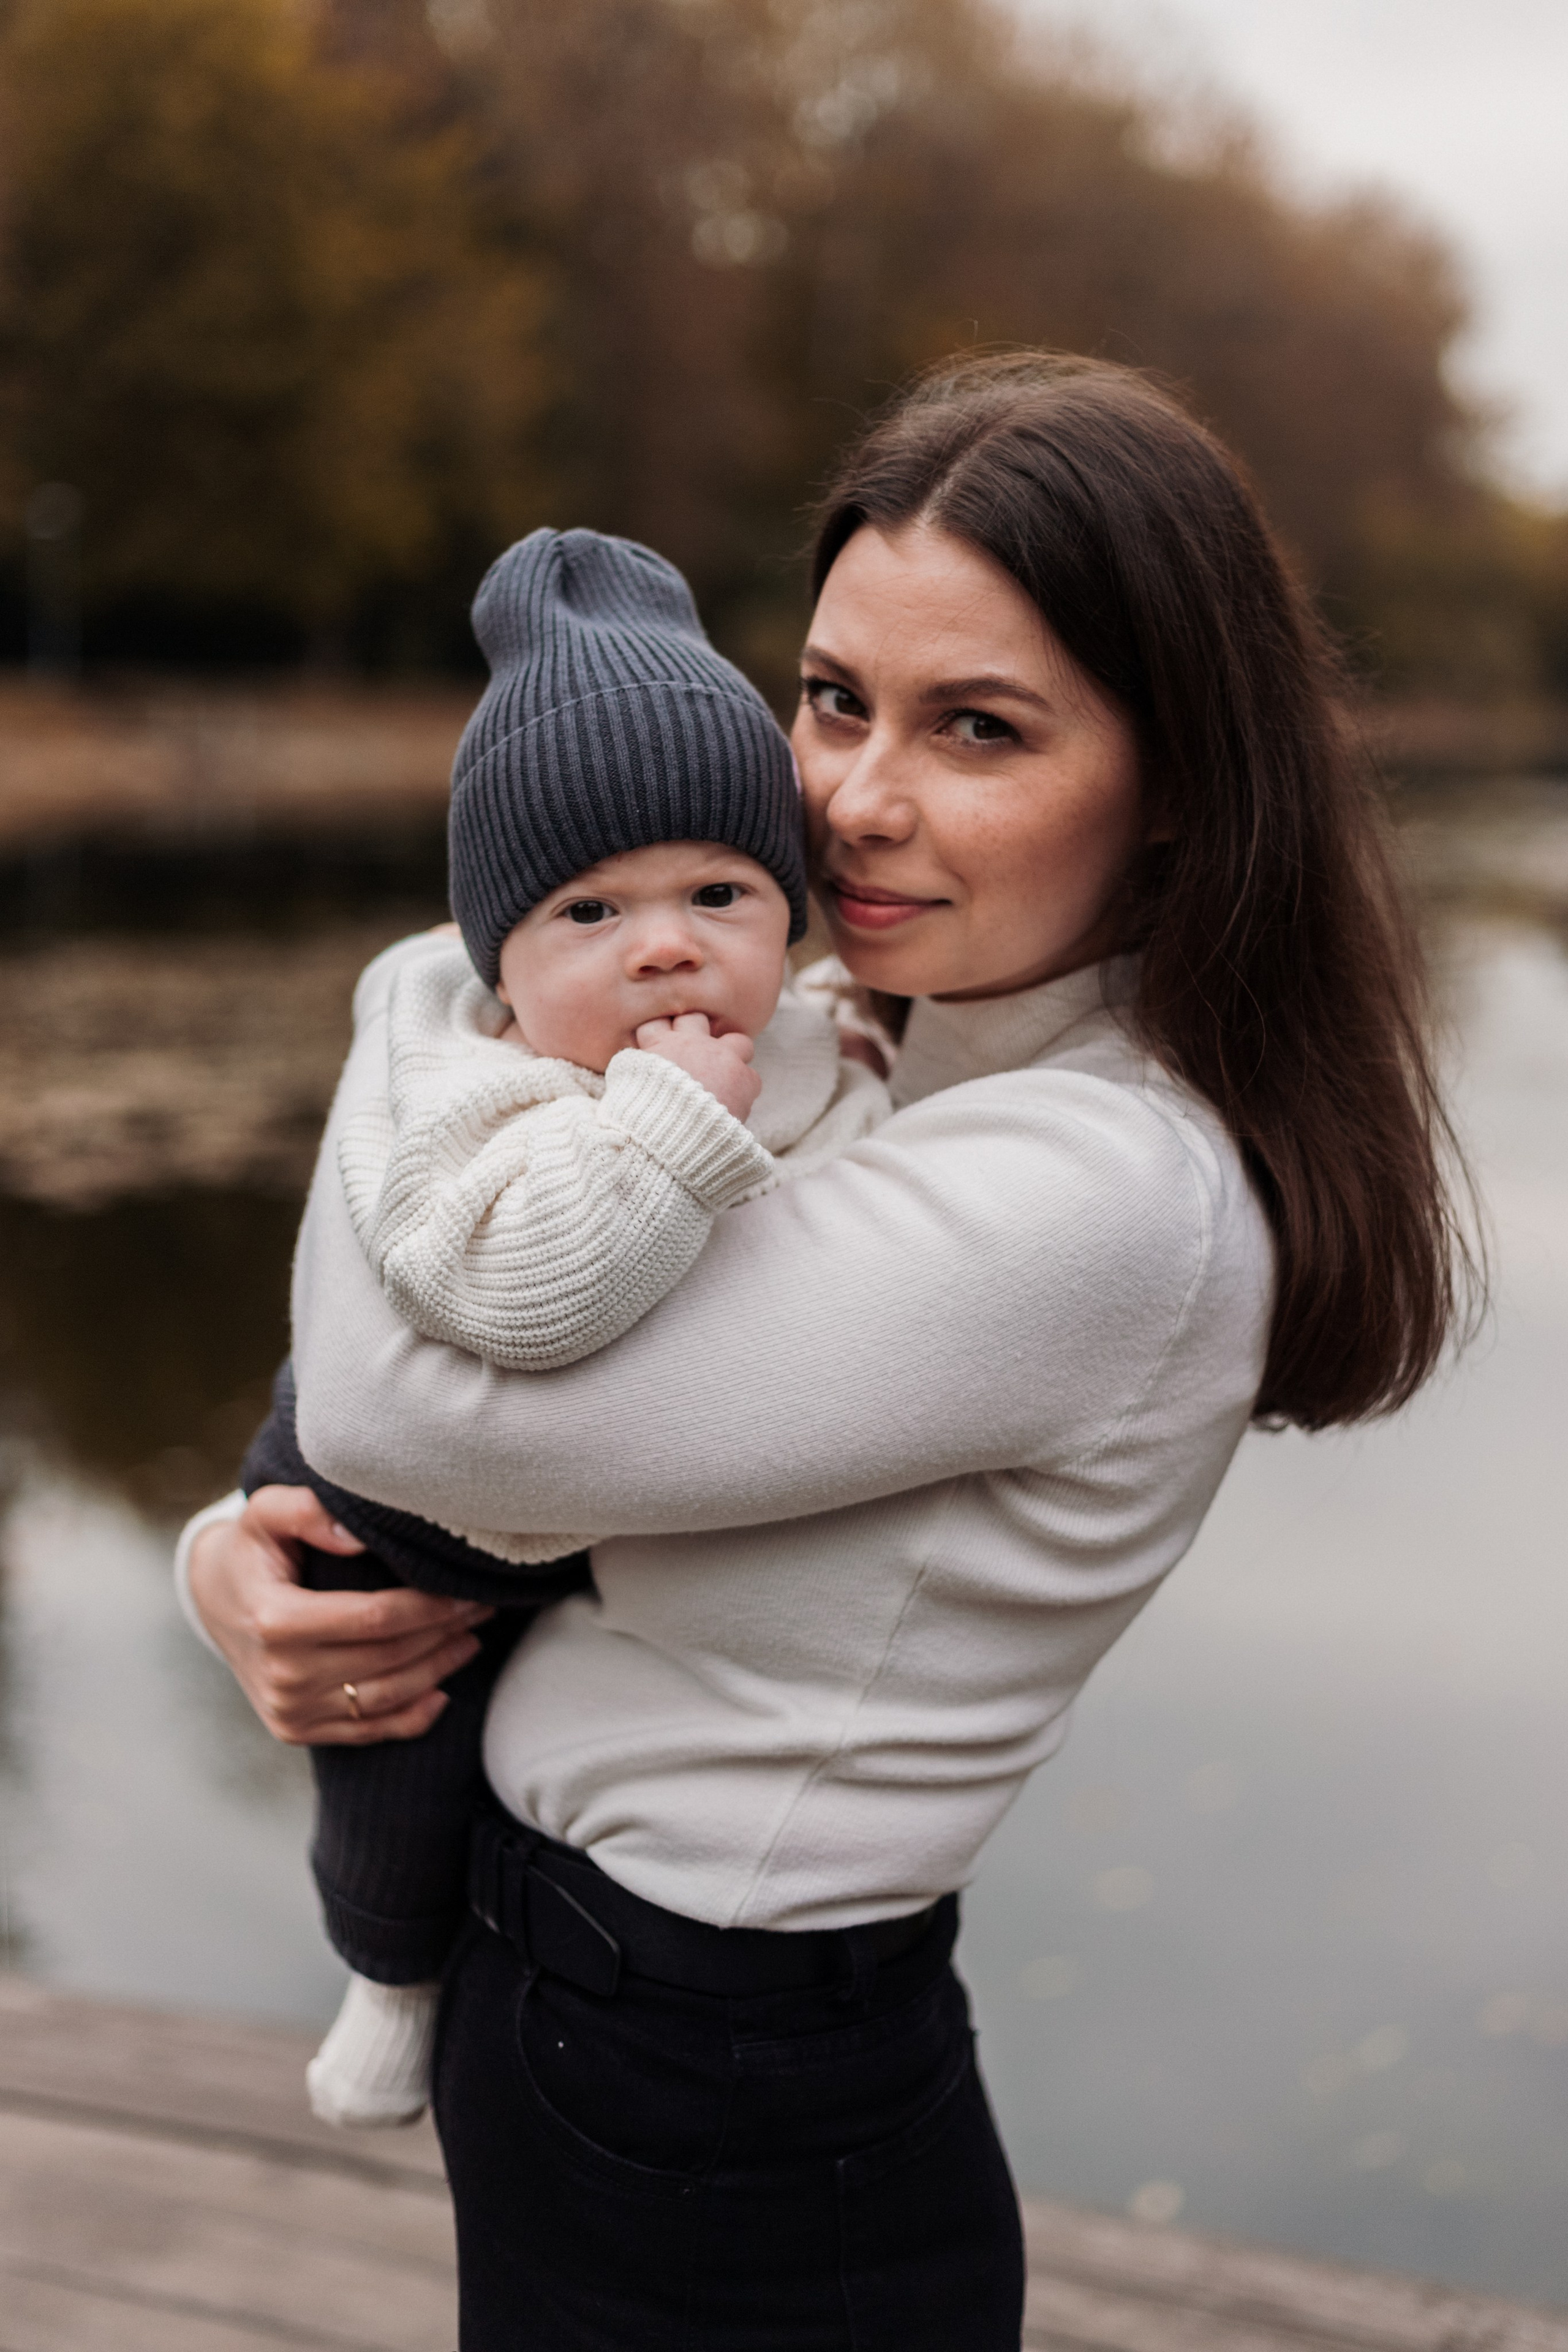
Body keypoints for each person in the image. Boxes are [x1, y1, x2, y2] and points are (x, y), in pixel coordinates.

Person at [181, 353, 1473, 2351]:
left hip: (710, 2075)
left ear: (1181, 784)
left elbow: (402, 1400)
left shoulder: (1099, 1183)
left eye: (979, 728)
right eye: (833, 698)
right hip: (605, 2015)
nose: (858, 796)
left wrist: (417, 992)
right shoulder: (874, 1037)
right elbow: (465, 1379)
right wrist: (238, 1556)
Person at [202, 526, 889, 2128]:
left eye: (721, 893)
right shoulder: (483, 1088)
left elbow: (829, 1170)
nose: (665, 943)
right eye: (591, 912)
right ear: (501, 962)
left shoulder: (788, 1043)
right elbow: (509, 1298)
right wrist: (660, 1132)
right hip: (394, 1513)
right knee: (401, 1745)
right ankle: (387, 1974)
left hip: (587, 1554)